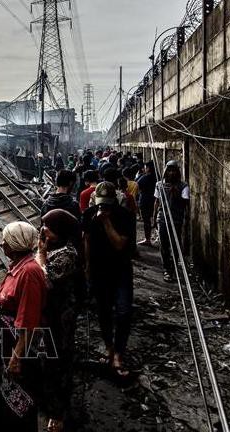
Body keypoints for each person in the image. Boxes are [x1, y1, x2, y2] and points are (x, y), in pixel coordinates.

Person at [0, 222, 47, 432]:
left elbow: (28, 319)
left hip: (16, 346)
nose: (2, 243)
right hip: (4, 343)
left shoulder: (29, 272)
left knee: (16, 397)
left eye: (6, 240)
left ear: (15, 244)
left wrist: (16, 357)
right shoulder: (18, 266)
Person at [82, 182, 136, 376]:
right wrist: (87, 267)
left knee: (123, 311)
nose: (103, 208)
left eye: (107, 204)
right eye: (100, 204)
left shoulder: (124, 216)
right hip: (99, 271)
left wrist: (106, 222)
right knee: (103, 311)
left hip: (120, 270)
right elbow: (86, 239)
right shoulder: (89, 215)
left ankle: (119, 352)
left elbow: (120, 244)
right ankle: (109, 346)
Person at [36, 210, 81, 432]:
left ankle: (58, 413)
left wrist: (41, 255)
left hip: (60, 317)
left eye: (49, 228)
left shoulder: (68, 255)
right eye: (43, 225)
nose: (43, 230)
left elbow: (45, 280)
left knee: (58, 363)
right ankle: (47, 403)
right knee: (45, 361)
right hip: (46, 315)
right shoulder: (52, 248)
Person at [153, 160, 189, 282]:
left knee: (175, 245)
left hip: (176, 220)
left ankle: (173, 269)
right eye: (169, 170)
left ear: (177, 172)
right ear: (165, 171)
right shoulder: (159, 185)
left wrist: (177, 195)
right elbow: (157, 202)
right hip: (162, 218)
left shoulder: (184, 186)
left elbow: (185, 203)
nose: (171, 173)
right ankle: (167, 269)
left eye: (174, 170)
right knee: (164, 246)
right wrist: (154, 218)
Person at [137, 161, 157, 246]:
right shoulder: (157, 177)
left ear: (148, 168)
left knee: (146, 220)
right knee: (156, 219)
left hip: (145, 200)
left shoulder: (144, 177)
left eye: (145, 167)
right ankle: (158, 236)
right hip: (155, 200)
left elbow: (137, 185)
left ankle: (147, 239)